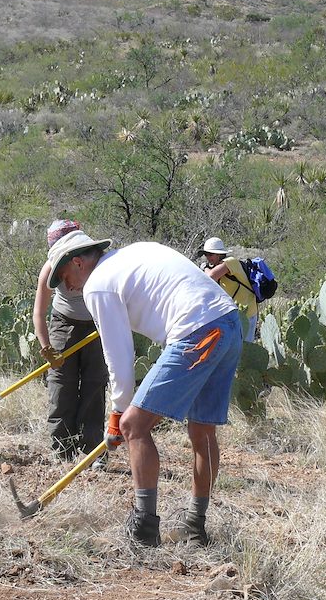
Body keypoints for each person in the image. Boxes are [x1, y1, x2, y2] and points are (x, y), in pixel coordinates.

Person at [45, 232, 243, 547]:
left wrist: (117, 414)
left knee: (133, 425)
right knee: (202, 431)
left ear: (78, 262)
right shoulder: (135, 252)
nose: (67, 286)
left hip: (199, 331)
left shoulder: (99, 285)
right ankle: (195, 527)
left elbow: (120, 360)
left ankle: (144, 530)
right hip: (229, 322)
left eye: (64, 276)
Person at [33, 220, 108, 463]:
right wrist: (46, 347)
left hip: (97, 327)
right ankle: (62, 450)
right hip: (63, 324)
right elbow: (39, 312)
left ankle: (92, 451)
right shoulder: (49, 269)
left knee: (94, 385)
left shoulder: (96, 263)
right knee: (61, 384)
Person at [199, 237, 259, 341]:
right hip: (234, 315)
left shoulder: (230, 262)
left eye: (210, 254)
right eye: (206, 254)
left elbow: (210, 277)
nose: (208, 257)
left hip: (247, 313)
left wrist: (204, 267)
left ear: (219, 254)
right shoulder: (217, 267)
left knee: (245, 349)